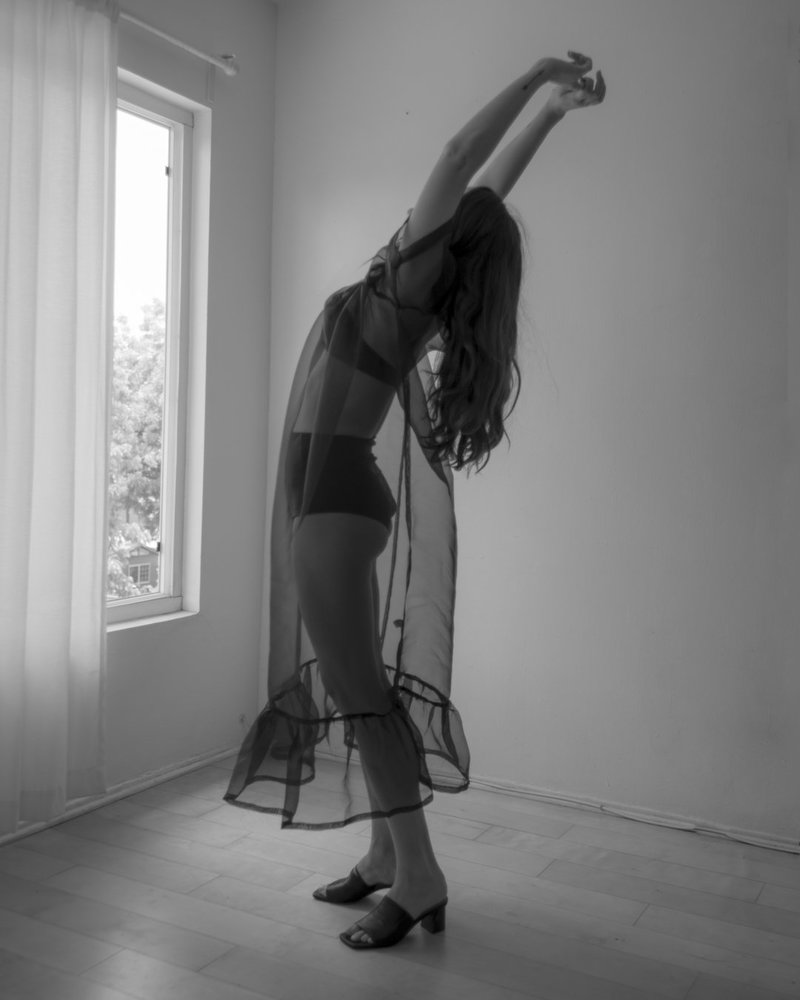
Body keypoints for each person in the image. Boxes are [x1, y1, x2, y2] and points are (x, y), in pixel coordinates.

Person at [225, 51, 606, 950]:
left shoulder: (405, 281)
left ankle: (421, 874)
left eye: (442, 210)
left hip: (332, 506)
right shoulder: (422, 282)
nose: (433, 204)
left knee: (362, 696)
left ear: (444, 235)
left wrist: (535, 75)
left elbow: (458, 156)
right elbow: (485, 187)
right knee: (363, 688)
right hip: (345, 497)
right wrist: (552, 115)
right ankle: (385, 855)